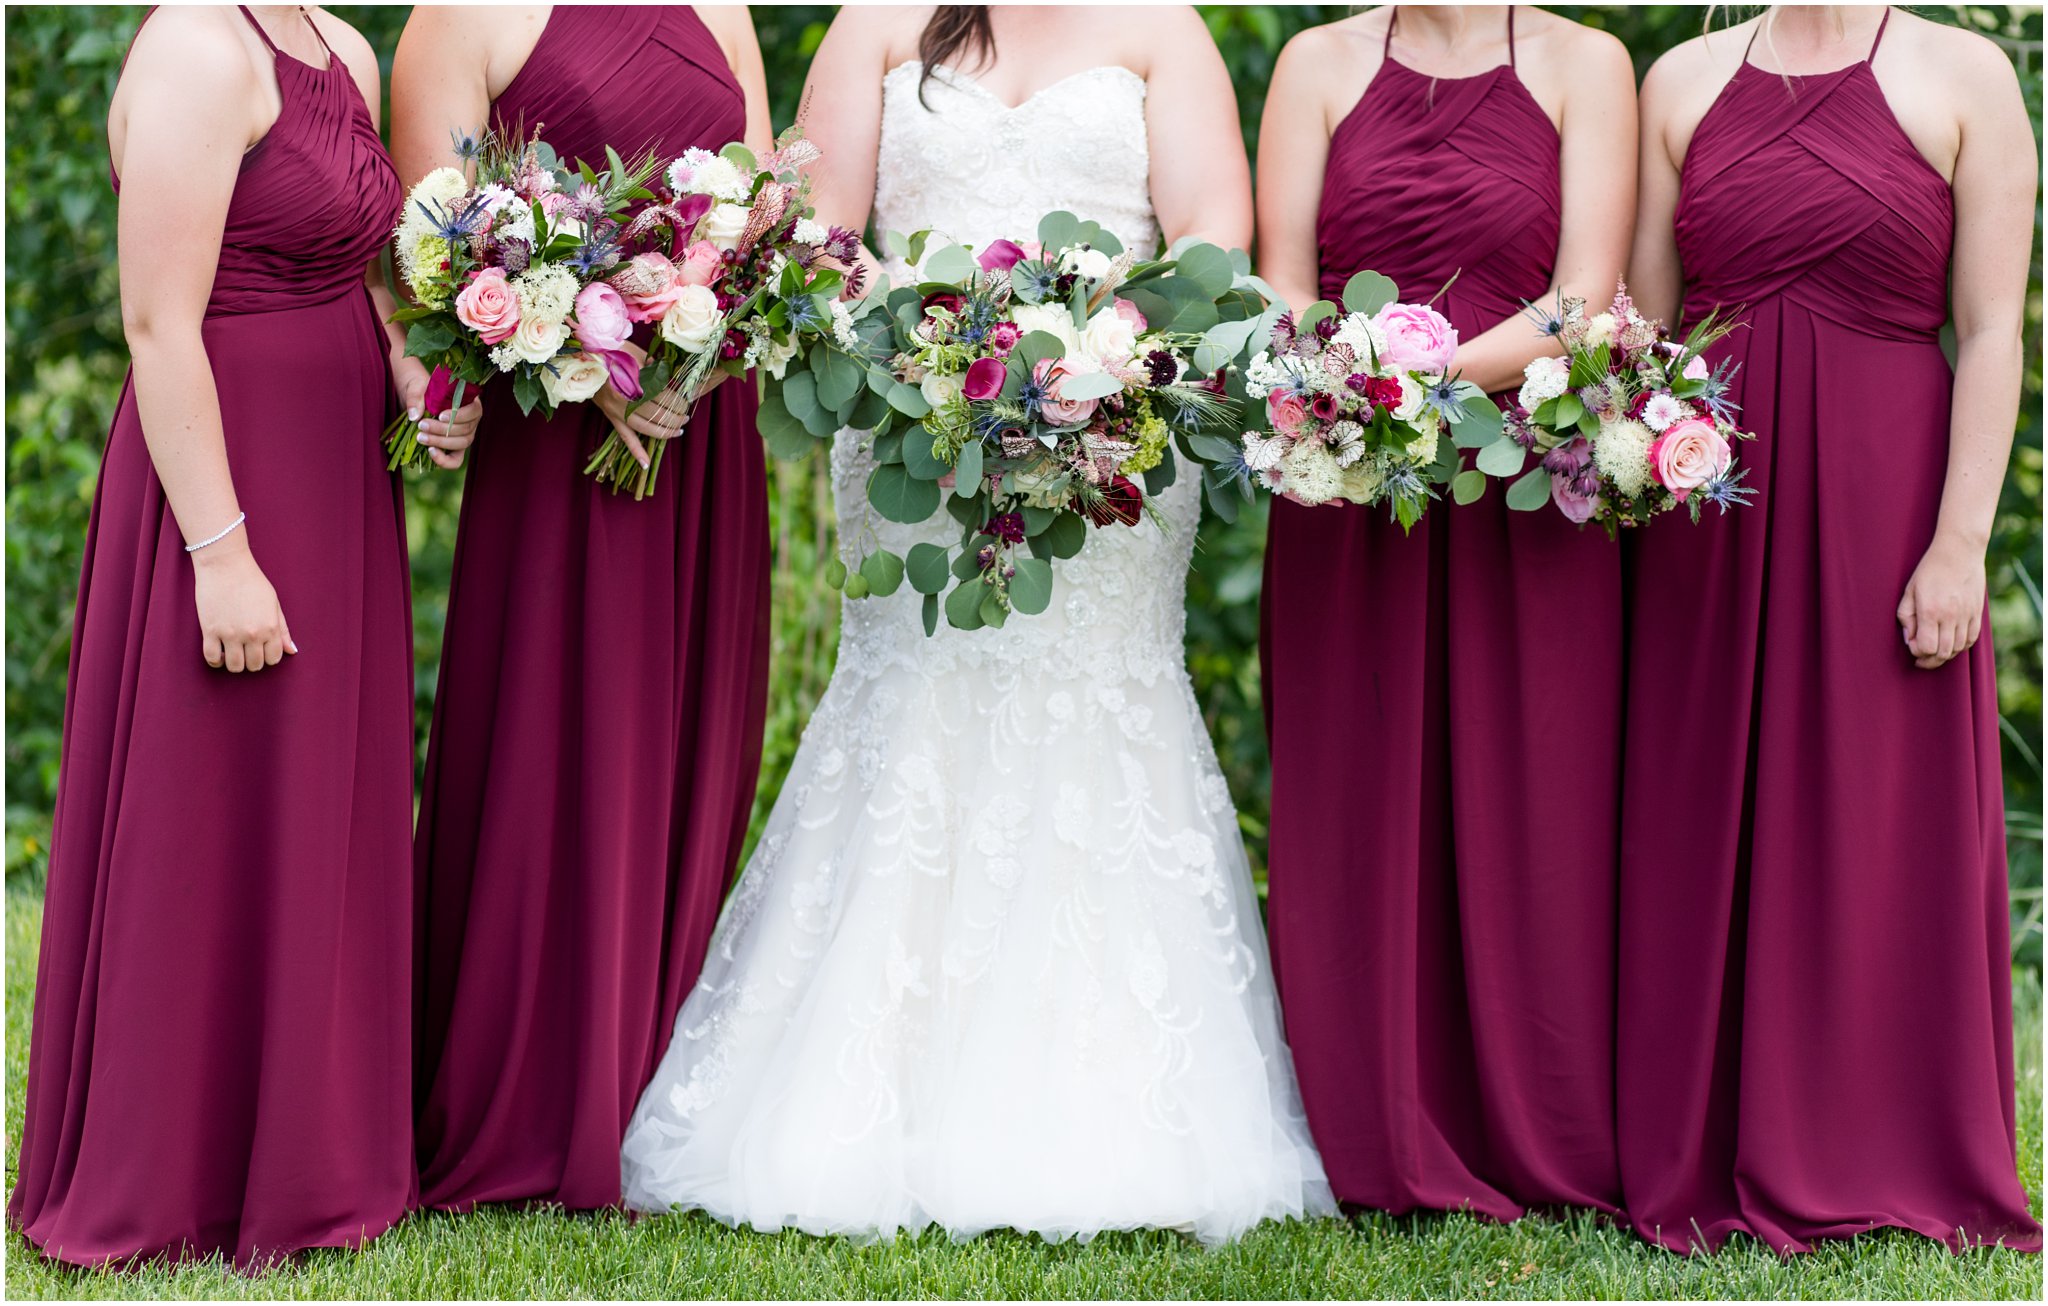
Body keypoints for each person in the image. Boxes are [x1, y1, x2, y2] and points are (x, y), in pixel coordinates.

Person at [620, 3, 1333, 1244]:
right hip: (913, 427)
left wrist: (1099, 348)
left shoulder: (1162, 29)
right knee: (921, 693)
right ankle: (867, 1094)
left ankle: (1113, 1105)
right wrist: (937, 352)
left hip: (1116, 426)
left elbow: (1217, 238)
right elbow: (826, 239)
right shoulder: (880, 25)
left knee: (1098, 690)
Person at [9, 3, 476, 1267]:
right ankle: (180, 1168)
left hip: (337, 480)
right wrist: (220, 554)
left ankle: (318, 1153)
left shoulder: (340, 44)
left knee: (319, 803)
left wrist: (408, 369)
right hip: (228, 477)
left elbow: (362, 262)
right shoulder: (195, 52)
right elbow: (158, 326)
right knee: (213, 806)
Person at [1618, 3, 2041, 1254]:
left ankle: (1883, 1141)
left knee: (1874, 809)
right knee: (1705, 815)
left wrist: (1957, 541)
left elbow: (1989, 332)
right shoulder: (1680, 77)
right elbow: (1639, 331)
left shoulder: (1965, 73)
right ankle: (1698, 1137)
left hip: (1883, 498)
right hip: (1713, 506)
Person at [1253, 4, 1636, 1219]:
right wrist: (1349, 390)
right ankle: (1370, 1119)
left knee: (1538, 791)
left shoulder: (1586, 63)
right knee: (1355, 783)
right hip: (1348, 482)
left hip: (1522, 481)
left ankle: (1541, 1121)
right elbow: (1281, 281)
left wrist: (1417, 380)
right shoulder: (1314, 63)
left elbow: (1583, 298)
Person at [391, 2, 774, 1213]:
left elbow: (766, 221)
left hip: (697, 425)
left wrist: (692, 356)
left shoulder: (726, 7)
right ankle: (532, 1096)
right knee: (558, 745)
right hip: (554, 446)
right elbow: (436, 262)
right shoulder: (456, 16)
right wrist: (590, 366)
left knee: (688, 732)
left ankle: (652, 1077)